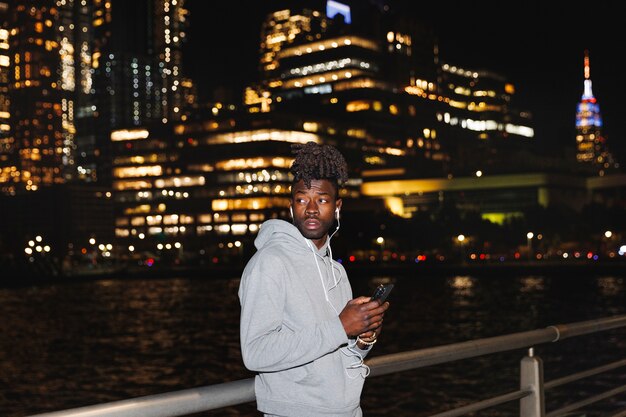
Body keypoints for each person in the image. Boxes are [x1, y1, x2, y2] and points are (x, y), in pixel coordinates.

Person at [238, 141, 390, 417]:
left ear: (337, 206)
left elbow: (340, 354)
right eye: (301, 199)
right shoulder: (269, 263)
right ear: (291, 205)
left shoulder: (336, 271)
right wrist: (342, 326)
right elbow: (255, 352)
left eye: (321, 199)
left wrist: (362, 340)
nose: (310, 208)